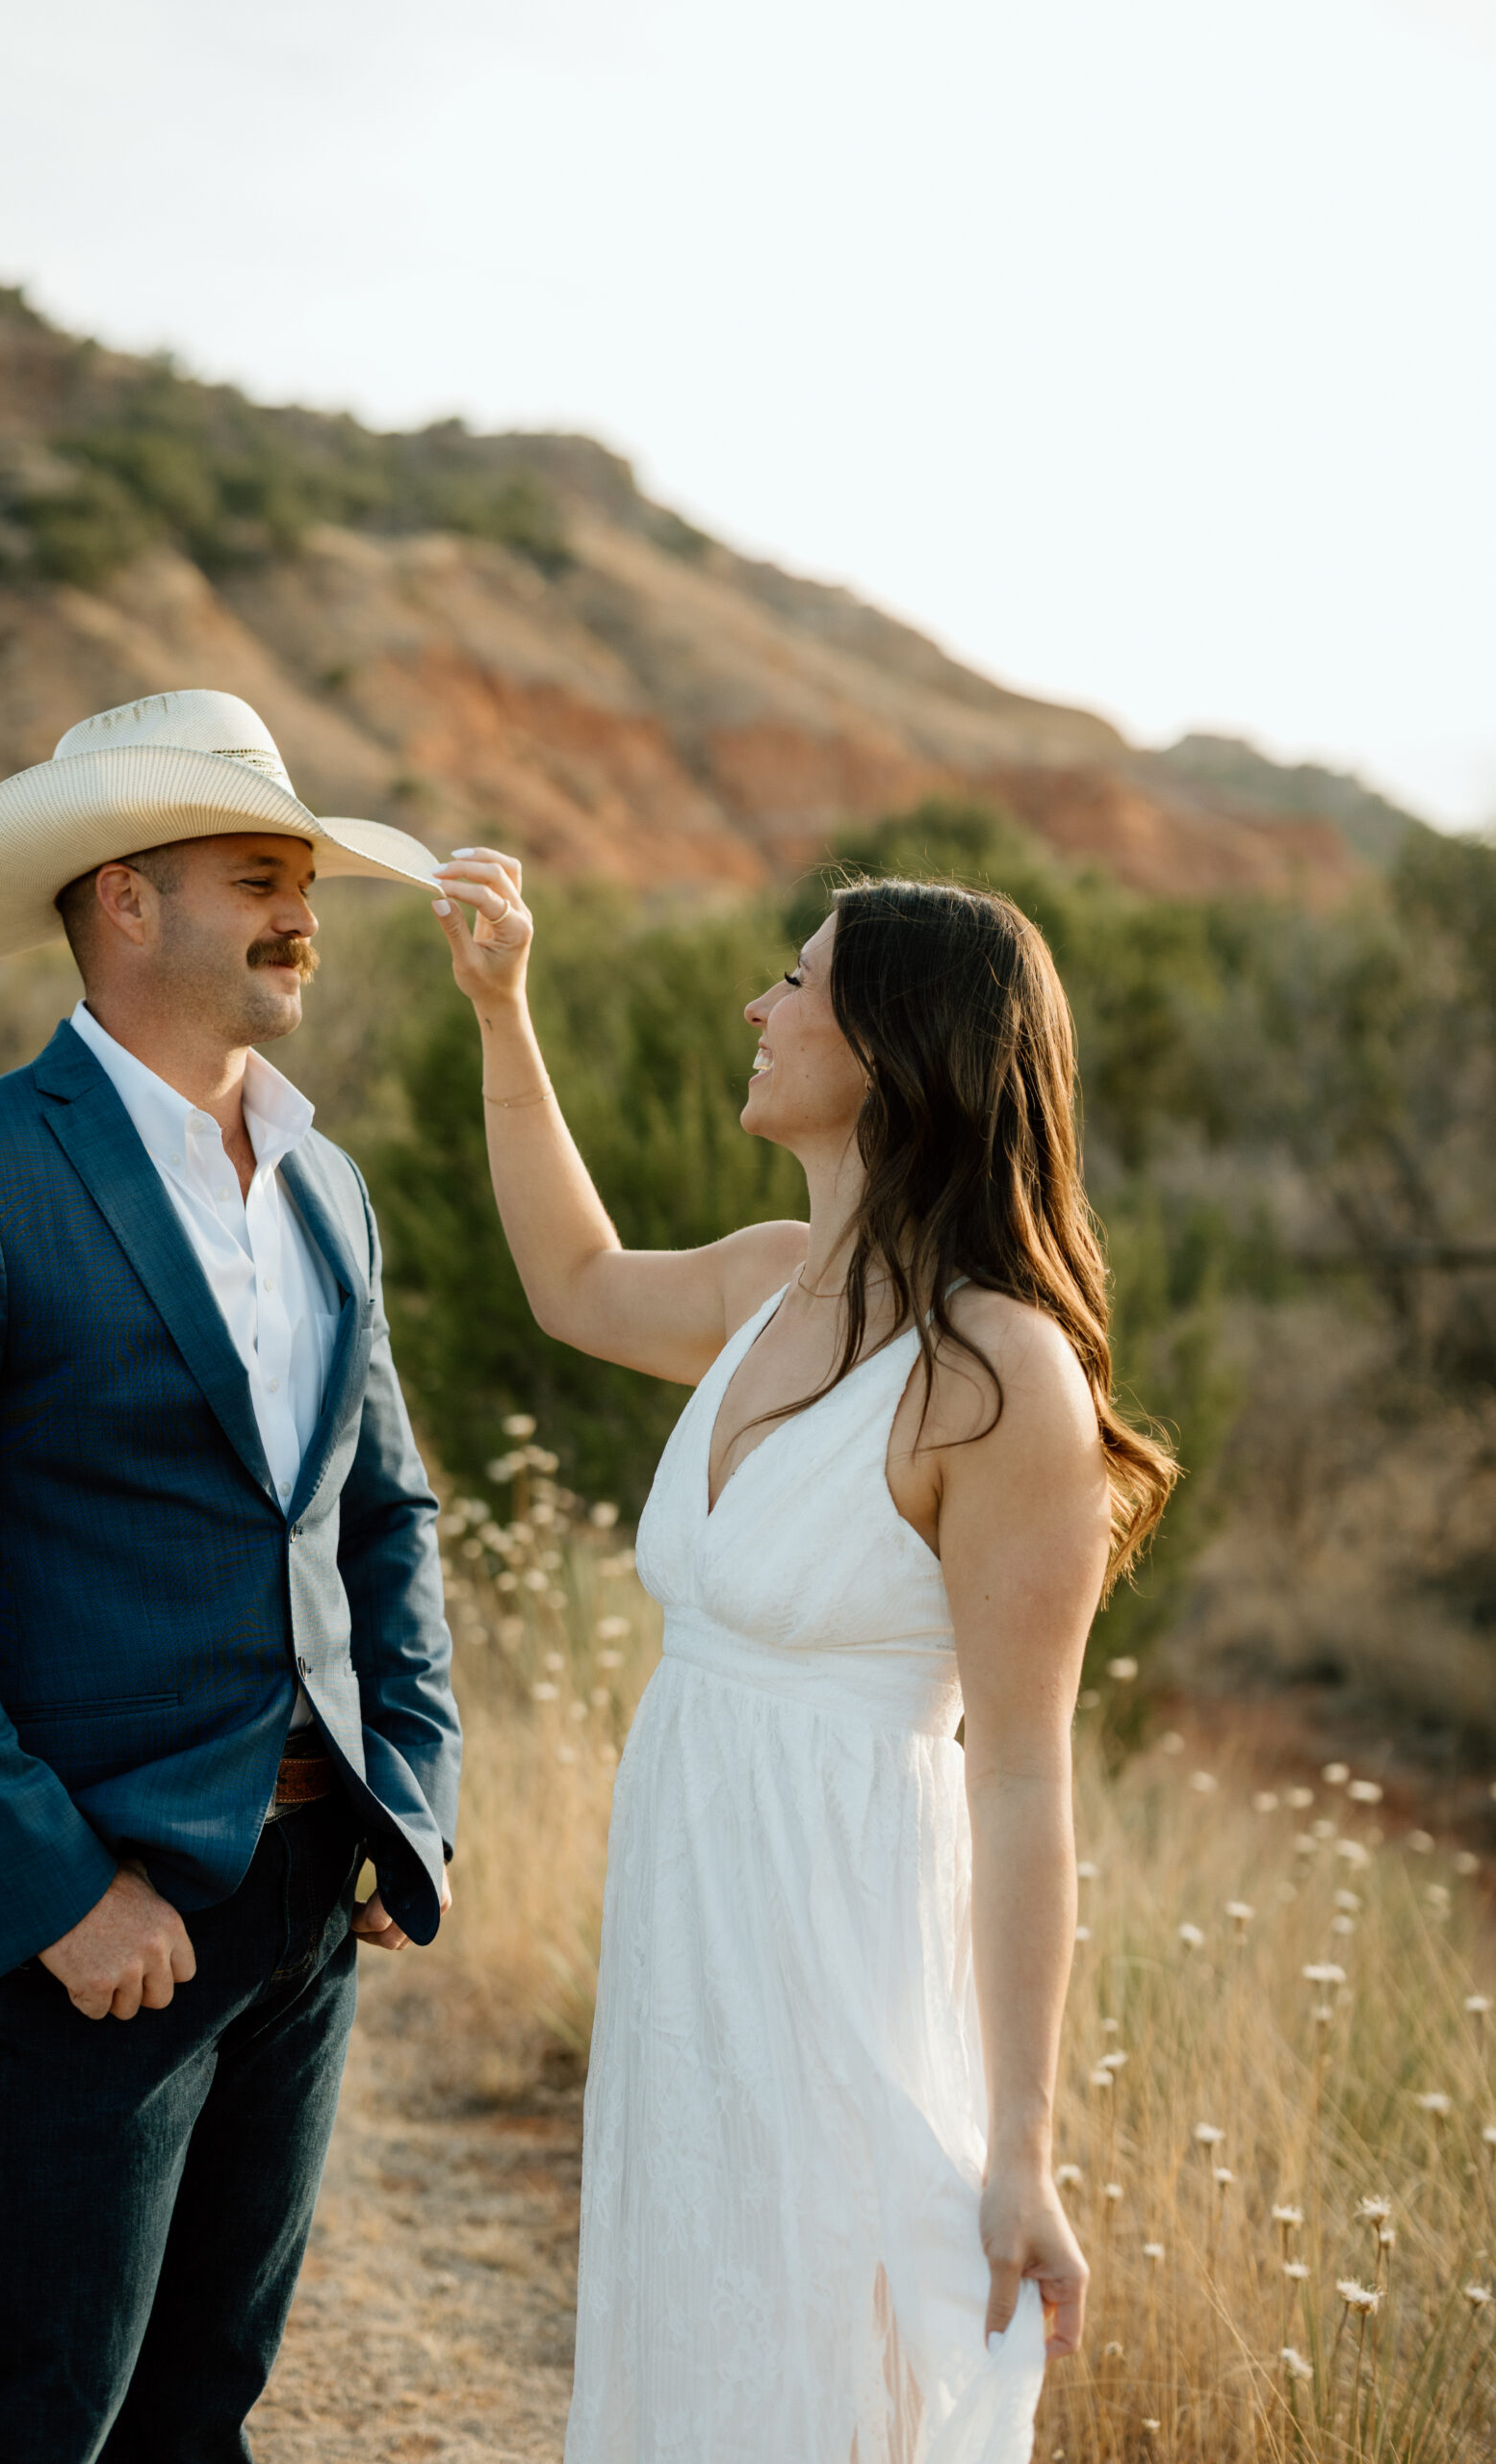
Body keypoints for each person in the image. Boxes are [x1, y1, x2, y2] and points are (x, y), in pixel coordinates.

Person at [428, 846, 1177, 2462]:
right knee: (696, 2340)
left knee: (834, 2381)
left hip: (841, 1947)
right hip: (690, 1930)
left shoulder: (999, 1375)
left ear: (897, 1053)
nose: (755, 1006)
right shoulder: (772, 1280)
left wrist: (1021, 2147)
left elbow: (1030, 1780)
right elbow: (570, 1284)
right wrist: (505, 1012)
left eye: (796, 981)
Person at [0, 690, 461, 2462]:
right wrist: (50, 1890)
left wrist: (402, 1792)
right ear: (126, 900)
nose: (303, 915)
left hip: (306, 1896)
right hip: (96, 1916)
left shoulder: (328, 1185)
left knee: (200, 2415)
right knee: (30, 2423)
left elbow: (386, 1516)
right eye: (260, 876)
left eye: (306, 880)